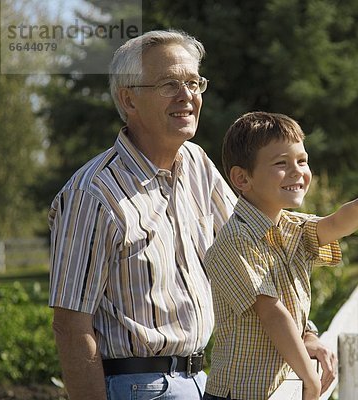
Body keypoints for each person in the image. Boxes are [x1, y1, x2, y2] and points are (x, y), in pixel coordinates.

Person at [47, 30, 239, 400]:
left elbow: (246, 252)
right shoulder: (92, 193)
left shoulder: (198, 164)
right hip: (139, 388)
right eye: (169, 84)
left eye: (194, 82)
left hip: (203, 380)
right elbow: (71, 326)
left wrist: (305, 332)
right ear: (128, 99)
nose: (187, 96)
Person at [203, 112, 358, 400]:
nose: (297, 171)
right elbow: (272, 313)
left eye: (302, 161)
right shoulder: (236, 239)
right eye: (281, 163)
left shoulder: (290, 227)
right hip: (239, 393)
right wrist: (309, 376)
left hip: (275, 388)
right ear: (242, 178)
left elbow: (333, 225)